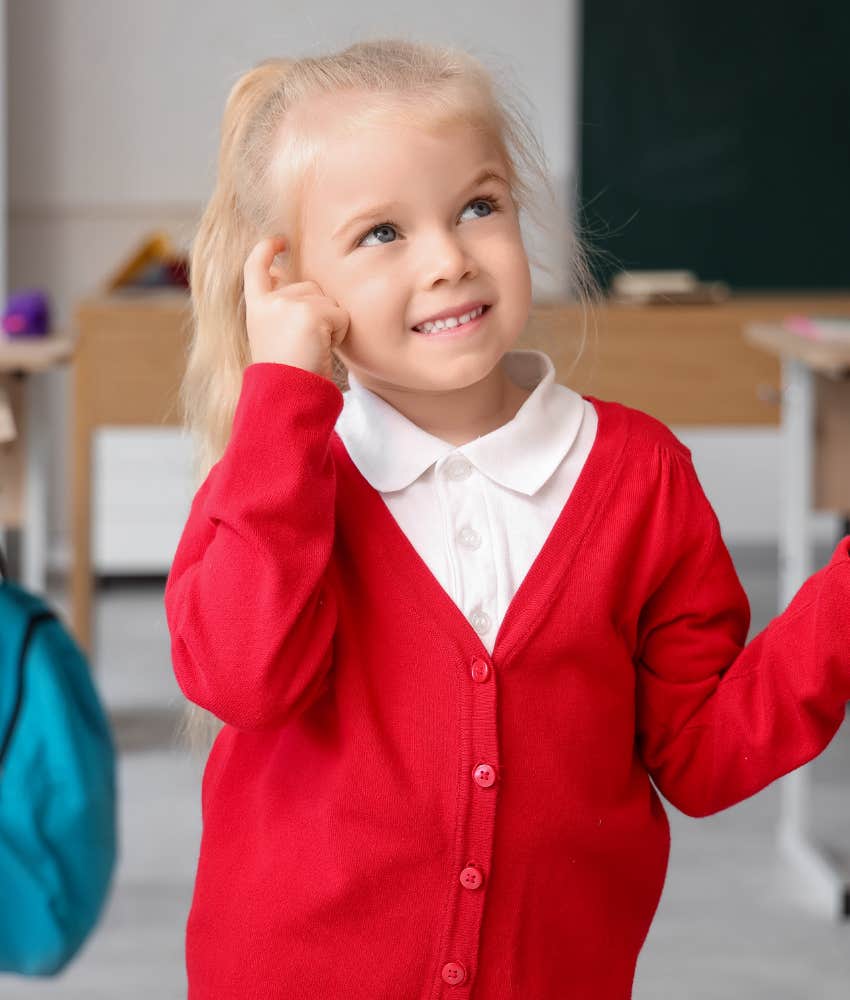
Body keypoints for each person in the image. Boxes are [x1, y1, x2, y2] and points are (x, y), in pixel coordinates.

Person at [163, 38, 850, 1000]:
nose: (449, 259)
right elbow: (241, 677)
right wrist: (281, 395)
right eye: (382, 234)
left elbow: (702, 753)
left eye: (477, 208)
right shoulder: (272, 477)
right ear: (292, 284)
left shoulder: (641, 475)